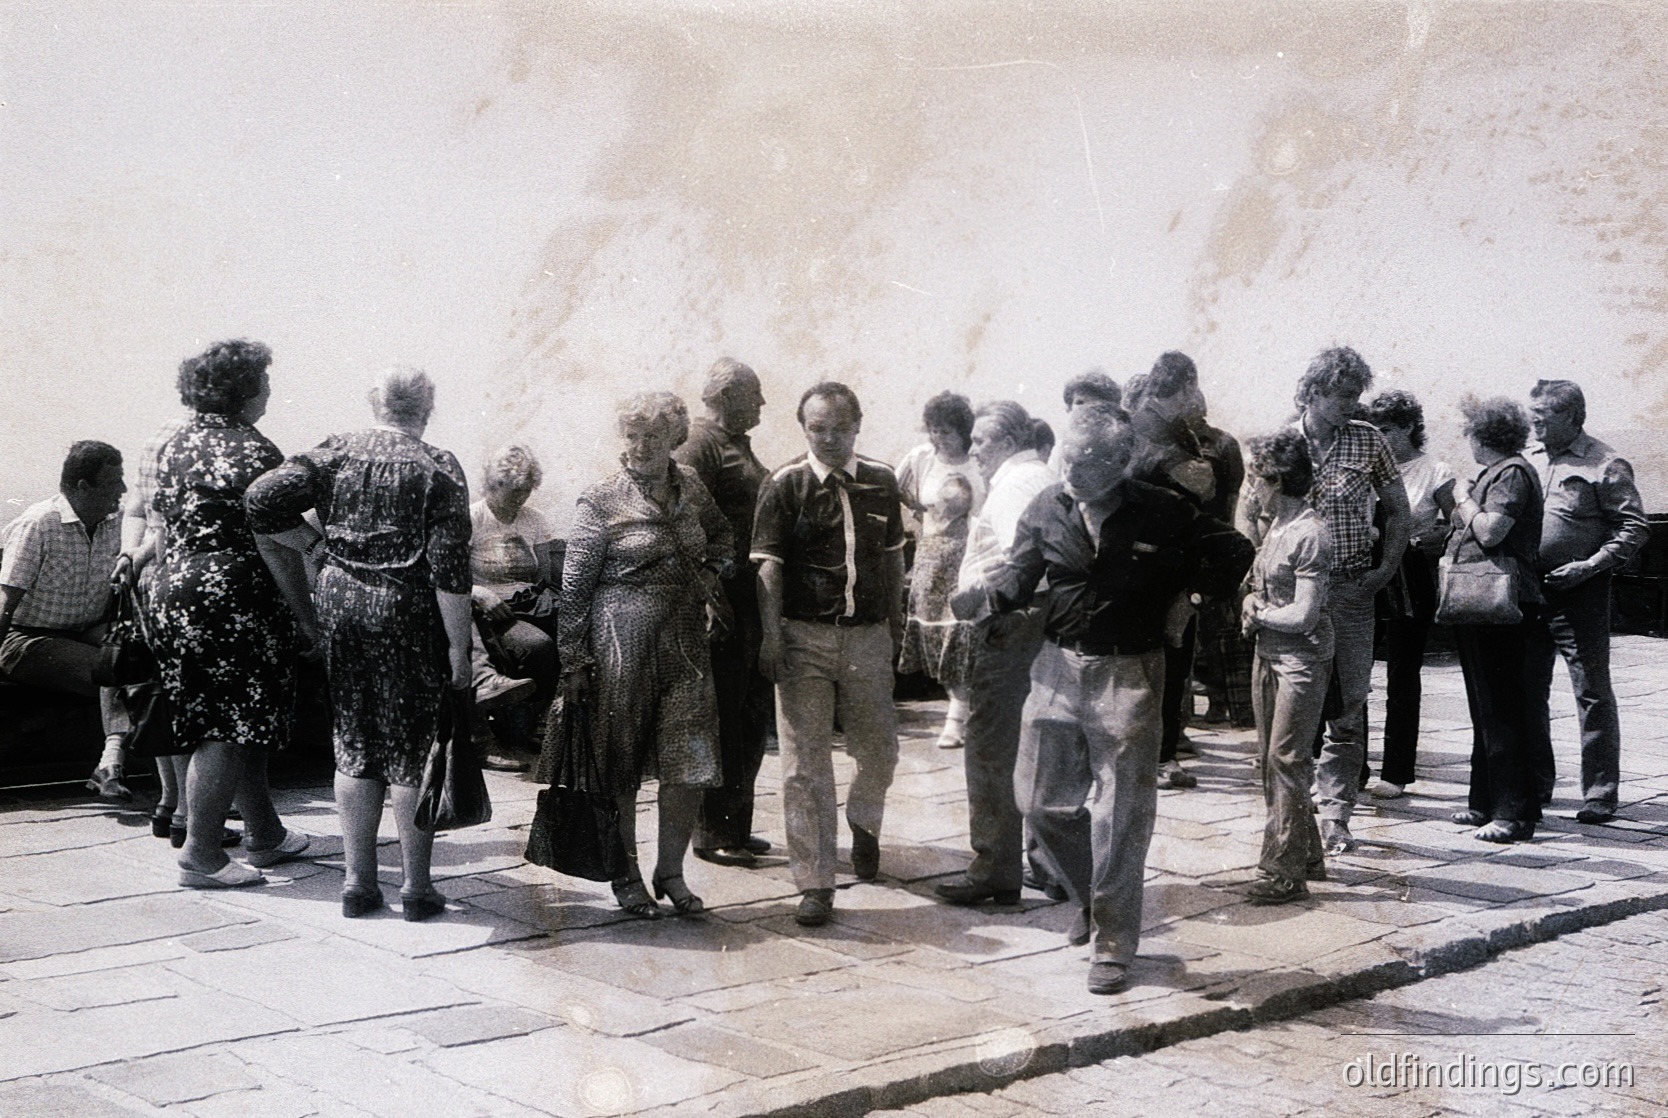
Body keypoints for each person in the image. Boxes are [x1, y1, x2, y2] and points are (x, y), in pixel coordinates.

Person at [977, 406, 1252, 994]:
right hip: (1055, 665)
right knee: (1041, 804)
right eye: (1067, 458)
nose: (1071, 470)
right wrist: (986, 595)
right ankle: (1092, 899)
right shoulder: (1047, 506)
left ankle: (1114, 943)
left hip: (1131, 670)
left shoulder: (1164, 508)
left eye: (1088, 461)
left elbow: (1234, 551)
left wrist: (1192, 599)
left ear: (1122, 461)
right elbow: (1020, 575)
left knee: (1120, 815)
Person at [246, 366, 472, 921]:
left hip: (343, 603)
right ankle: (417, 888)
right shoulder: (437, 465)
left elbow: (258, 500)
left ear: (376, 403)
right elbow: (449, 569)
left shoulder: (333, 451)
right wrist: (460, 649)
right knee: (409, 747)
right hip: (408, 611)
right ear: (428, 406)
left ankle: (357, 883)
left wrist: (314, 546)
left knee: (353, 738)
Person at [137, 340, 311, 888]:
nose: (269, 392)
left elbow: (163, 530)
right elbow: (274, 544)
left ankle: (265, 834)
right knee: (228, 726)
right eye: (263, 381)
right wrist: (306, 617)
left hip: (175, 589)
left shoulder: (175, 445)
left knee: (237, 718)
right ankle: (202, 855)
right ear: (245, 389)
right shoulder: (256, 452)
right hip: (233, 593)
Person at [557, 391, 732, 919]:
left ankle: (671, 871)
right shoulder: (600, 499)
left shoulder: (692, 487)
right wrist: (573, 662)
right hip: (620, 644)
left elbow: (724, 538)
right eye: (632, 435)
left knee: (688, 762)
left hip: (683, 641)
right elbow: (574, 589)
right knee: (622, 767)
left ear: (675, 438)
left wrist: (710, 571)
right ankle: (626, 874)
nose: (640, 446)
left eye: (652, 436)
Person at [753, 381, 906, 928]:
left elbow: (892, 562)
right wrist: (772, 638)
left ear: (857, 425)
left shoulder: (883, 480)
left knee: (881, 750)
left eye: (840, 428)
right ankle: (815, 882)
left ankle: (864, 822)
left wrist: (897, 626)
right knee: (803, 764)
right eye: (818, 429)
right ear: (804, 429)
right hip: (804, 638)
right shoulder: (784, 484)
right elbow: (768, 568)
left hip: (867, 636)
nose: (829, 439)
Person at [1277, 347, 1411, 855]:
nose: (1352, 405)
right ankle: (1293, 818)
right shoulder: (1282, 444)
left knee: (1349, 708)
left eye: (1357, 395)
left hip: (1352, 589)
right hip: (1293, 593)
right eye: (1342, 395)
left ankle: (1336, 816)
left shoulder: (1369, 440)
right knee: (1293, 709)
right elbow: (1253, 518)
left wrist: (1383, 571)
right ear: (1313, 391)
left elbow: (1398, 512)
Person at [933, 400, 1055, 907]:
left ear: (1005, 441)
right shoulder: (1041, 476)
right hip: (1034, 625)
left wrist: (973, 601)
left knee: (990, 748)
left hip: (1010, 626)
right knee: (1034, 750)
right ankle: (1047, 866)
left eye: (981, 441)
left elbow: (1015, 566)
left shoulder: (1014, 485)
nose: (972, 450)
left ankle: (994, 867)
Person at [1525, 379, 1648, 824]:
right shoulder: (1528, 459)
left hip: (1582, 592)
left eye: (1544, 415)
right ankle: (1535, 785)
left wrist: (1589, 566)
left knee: (1591, 691)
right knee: (1529, 689)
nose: (1533, 422)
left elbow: (1634, 528)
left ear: (1573, 417)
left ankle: (1599, 794)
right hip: (1529, 589)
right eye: (1532, 413)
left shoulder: (1606, 463)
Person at [675, 358, 775, 868]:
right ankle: (712, 831)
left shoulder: (737, 444)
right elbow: (686, 523)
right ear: (726, 395)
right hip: (723, 599)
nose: (761, 404)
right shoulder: (700, 444)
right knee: (725, 716)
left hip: (749, 596)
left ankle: (737, 823)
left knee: (752, 713)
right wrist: (710, 596)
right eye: (753, 394)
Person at [0, 441, 131, 798]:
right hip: (27, 639)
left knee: (154, 661)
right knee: (117, 670)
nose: (122, 490)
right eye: (113, 482)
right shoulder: (39, 524)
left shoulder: (111, 525)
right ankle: (114, 764)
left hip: (85, 630)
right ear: (82, 487)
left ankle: (168, 788)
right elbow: (4, 603)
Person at [1445, 396, 1545, 843]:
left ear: (1482, 435)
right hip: (1481, 602)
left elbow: (1489, 531)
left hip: (1503, 601)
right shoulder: (1499, 472)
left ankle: (1512, 811)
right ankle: (1485, 801)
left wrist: (1463, 498)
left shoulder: (1511, 473)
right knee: (1486, 704)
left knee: (1502, 706)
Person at [1240, 431, 1333, 904]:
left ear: (1277, 481)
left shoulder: (1310, 533)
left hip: (1301, 658)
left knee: (1287, 758)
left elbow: (1304, 614)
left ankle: (1283, 871)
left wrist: (1261, 614)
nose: (1251, 489)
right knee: (1273, 759)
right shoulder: (1274, 528)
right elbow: (1265, 590)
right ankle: (1307, 855)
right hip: (1268, 654)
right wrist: (1255, 600)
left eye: (1256, 480)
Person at [1126, 352, 1225, 790]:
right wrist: (1182, 469)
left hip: (1158, 562)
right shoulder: (1150, 426)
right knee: (1165, 660)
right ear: (1185, 386)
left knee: (1165, 662)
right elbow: (1200, 483)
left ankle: (1157, 754)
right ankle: (1160, 758)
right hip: (1157, 566)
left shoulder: (1160, 425)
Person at [1361, 390, 1456, 799]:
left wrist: (1422, 541)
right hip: (1365, 572)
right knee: (1354, 673)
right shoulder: (1363, 470)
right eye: (1374, 431)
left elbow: (1455, 526)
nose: (1380, 439)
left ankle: (1397, 770)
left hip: (1411, 577)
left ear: (1409, 428)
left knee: (1402, 675)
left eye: (1387, 430)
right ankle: (1352, 765)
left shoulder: (1435, 470)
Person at [895, 391, 986, 749]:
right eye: (933, 430)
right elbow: (893, 485)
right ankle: (960, 709)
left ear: (963, 431)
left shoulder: (977, 464)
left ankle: (956, 717)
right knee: (936, 638)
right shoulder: (921, 459)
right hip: (931, 558)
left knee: (963, 637)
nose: (938, 438)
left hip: (967, 558)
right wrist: (917, 508)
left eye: (946, 431)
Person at [469, 443, 557, 771]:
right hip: (491, 608)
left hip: (530, 603)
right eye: (513, 489)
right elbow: (451, 577)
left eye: (526, 489)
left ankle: (543, 725)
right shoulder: (473, 518)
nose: (520, 497)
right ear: (493, 484)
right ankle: (514, 734)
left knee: (581, 634)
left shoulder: (535, 520)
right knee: (537, 646)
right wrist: (480, 592)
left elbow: (544, 574)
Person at [898, 474, 979, 744]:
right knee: (942, 665)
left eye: (955, 500)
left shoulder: (971, 524)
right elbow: (899, 483)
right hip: (928, 604)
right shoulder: (926, 518)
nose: (947, 505)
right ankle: (962, 715)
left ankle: (955, 721)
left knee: (957, 663)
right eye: (944, 499)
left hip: (953, 604)